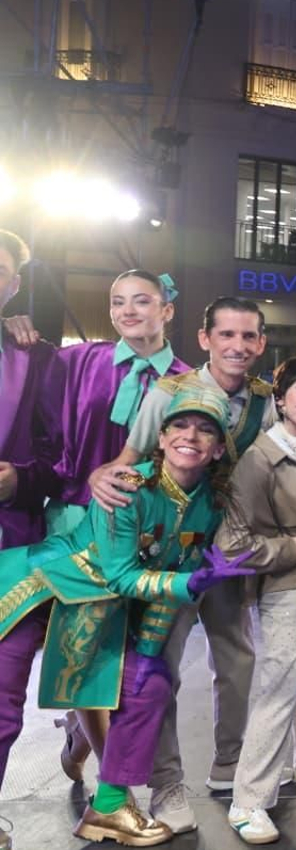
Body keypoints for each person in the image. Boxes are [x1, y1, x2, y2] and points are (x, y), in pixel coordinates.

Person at [0, 384, 250, 850]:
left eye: (205, 430)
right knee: (3, 713)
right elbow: (118, 574)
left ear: (220, 447)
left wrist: (152, 653)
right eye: (180, 425)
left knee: (151, 685)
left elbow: (162, 588)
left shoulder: (210, 505)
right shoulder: (127, 485)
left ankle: (109, 805)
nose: (190, 436)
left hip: (99, 614)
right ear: (160, 437)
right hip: (40, 590)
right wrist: (188, 583)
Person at [87, 296, 275, 832]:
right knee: (160, 668)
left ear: (261, 344)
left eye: (248, 337)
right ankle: (167, 782)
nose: (237, 346)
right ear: (205, 338)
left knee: (237, 661)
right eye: (227, 335)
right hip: (168, 557)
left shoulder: (266, 402)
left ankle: (230, 764)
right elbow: (130, 460)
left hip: (230, 557)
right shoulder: (168, 394)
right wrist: (101, 477)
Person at [17, 268, 190, 776]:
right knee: (91, 649)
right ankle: (113, 783)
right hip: (76, 523)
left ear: (167, 310)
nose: (128, 311)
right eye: (118, 303)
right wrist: (11, 324)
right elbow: (21, 376)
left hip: (143, 537)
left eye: (142, 300)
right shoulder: (77, 361)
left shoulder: (184, 379)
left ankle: (80, 733)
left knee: (132, 660)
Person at [217, 350, 296, 845]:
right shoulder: (259, 457)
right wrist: (289, 548)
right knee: (281, 683)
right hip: (287, 581)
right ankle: (248, 801)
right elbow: (231, 543)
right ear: (283, 398)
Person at [0, 228, 61, 552]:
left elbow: (60, 449)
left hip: (10, 538)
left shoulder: (37, 358)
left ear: (14, 286)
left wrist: (20, 481)